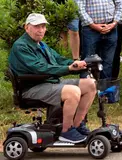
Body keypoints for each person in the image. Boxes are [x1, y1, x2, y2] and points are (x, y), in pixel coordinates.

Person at [8, 13, 97, 143]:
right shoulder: (21, 46)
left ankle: (77, 125)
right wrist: (68, 69)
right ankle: (66, 131)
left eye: (43, 26)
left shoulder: (41, 44)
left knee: (91, 84)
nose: (41, 30)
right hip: (32, 88)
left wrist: (78, 64)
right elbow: (41, 68)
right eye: (37, 26)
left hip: (49, 83)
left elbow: (58, 59)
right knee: (73, 92)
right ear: (27, 28)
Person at [73, 0, 122, 81]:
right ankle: (86, 90)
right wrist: (93, 25)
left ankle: (104, 92)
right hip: (91, 30)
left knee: (108, 62)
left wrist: (114, 22)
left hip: (111, 28)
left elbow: (119, 4)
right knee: (88, 62)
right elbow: (79, 8)